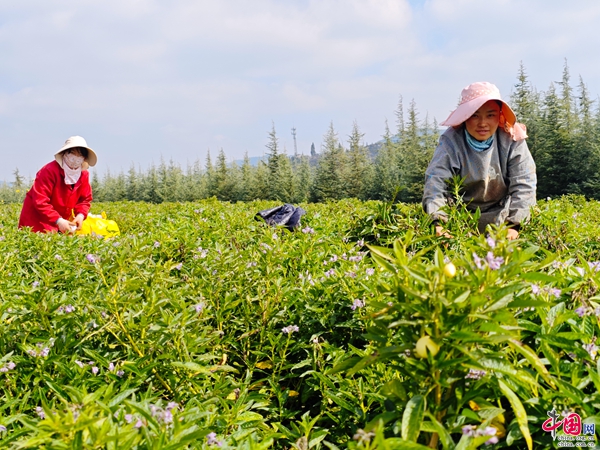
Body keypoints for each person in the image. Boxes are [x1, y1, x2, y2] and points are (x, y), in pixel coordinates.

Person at [422, 81, 536, 240]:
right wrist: (438, 223)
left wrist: (514, 225)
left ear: (499, 115)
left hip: (502, 216)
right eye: (474, 115)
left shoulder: (511, 139)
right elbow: (436, 181)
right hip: (459, 216)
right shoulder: (451, 141)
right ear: (464, 117)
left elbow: (524, 182)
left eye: (490, 115)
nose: (483, 123)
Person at [19, 136, 97, 233]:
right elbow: (40, 201)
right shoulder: (49, 171)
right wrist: (58, 220)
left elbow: (84, 199)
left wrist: (80, 215)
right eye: (72, 153)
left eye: (80, 155)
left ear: (84, 158)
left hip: (60, 222)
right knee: (37, 244)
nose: (75, 158)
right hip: (36, 220)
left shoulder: (83, 174)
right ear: (65, 153)